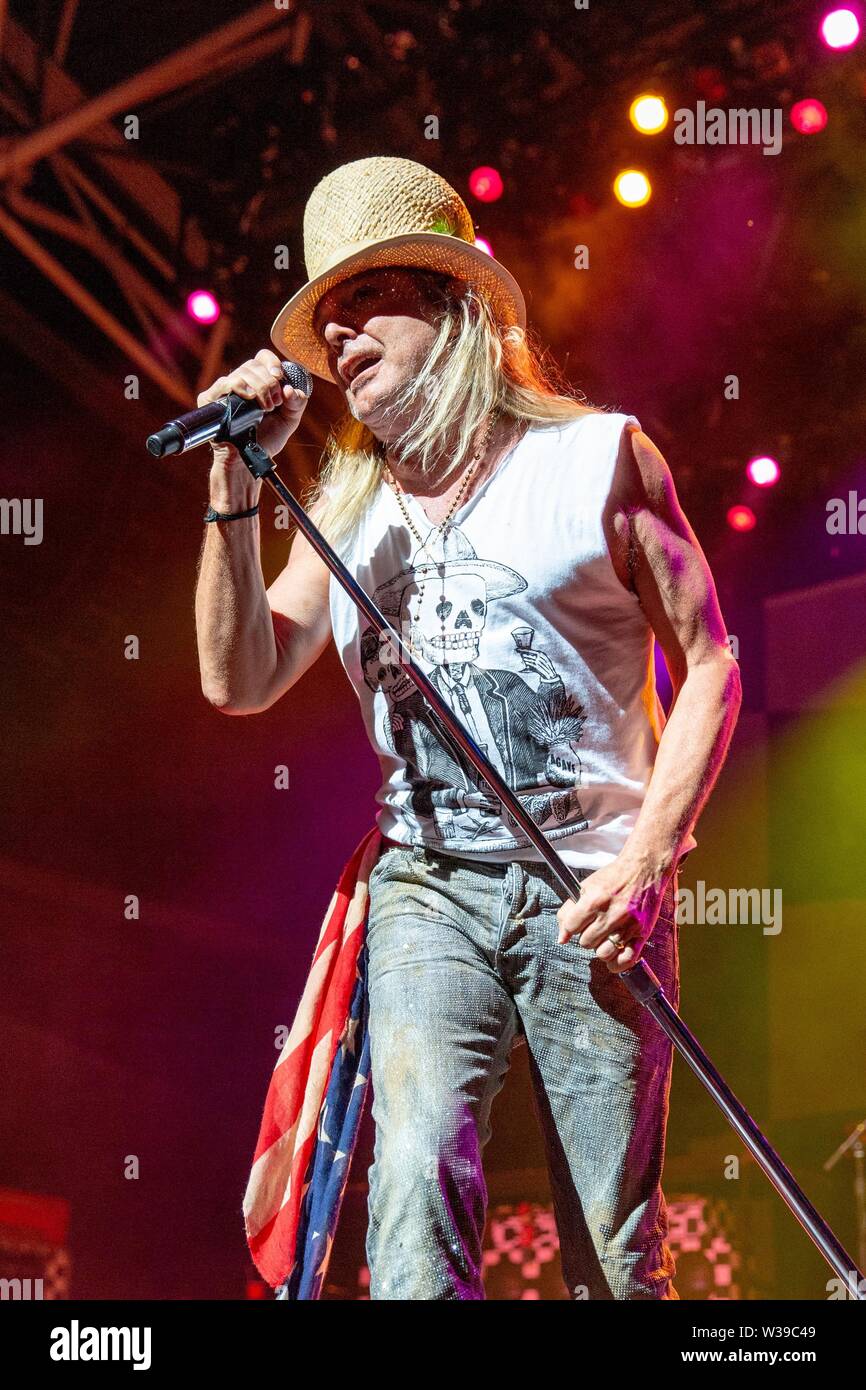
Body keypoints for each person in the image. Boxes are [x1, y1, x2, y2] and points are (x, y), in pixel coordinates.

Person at [195, 156, 742, 1300]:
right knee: (410, 1189)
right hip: (425, 885)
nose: (335, 338)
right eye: (321, 318)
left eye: (361, 303)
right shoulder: (341, 502)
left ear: (446, 302)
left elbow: (709, 665)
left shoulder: (595, 458)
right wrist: (232, 485)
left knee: (609, 1244)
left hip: (590, 881)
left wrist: (650, 860)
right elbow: (238, 677)